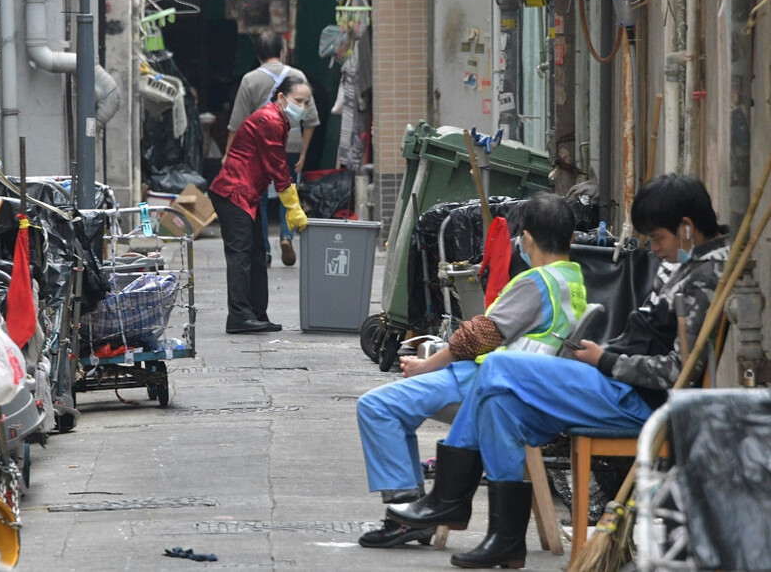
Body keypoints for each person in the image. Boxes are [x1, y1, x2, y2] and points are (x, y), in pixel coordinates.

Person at [388, 174, 730, 569]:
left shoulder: (707, 276)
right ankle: (505, 540)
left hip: (640, 401)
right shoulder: (684, 261)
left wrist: (604, 360)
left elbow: (677, 372)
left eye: (657, 238)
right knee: (500, 406)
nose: (653, 248)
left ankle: (449, 498)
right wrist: (604, 356)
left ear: (686, 227)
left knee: (498, 364)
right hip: (615, 383)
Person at [357, 193, 586, 548]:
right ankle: (415, 510)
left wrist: (425, 365)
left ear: (525, 239)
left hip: (490, 382)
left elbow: (478, 336)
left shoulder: (536, 283)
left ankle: (405, 514)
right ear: (570, 238)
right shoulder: (574, 280)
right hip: (526, 387)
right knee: (394, 408)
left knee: (377, 407)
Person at [209, 74, 311, 334]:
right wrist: (292, 206)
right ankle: (239, 316)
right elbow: (277, 166)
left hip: (247, 196)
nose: (303, 107)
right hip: (234, 193)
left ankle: (256, 314)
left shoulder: (279, 121)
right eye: (299, 100)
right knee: (241, 256)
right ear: (281, 97)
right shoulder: (270, 120)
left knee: (256, 255)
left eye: (307, 103)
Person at [225, 31, 320, 267]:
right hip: (292, 144)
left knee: (259, 199)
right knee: (289, 190)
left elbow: (236, 123)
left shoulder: (249, 79)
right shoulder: (297, 76)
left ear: (258, 54)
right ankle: (286, 237)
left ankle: (265, 251)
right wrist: (304, 152)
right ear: (282, 51)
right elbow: (310, 119)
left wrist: (228, 154)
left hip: (259, 149)